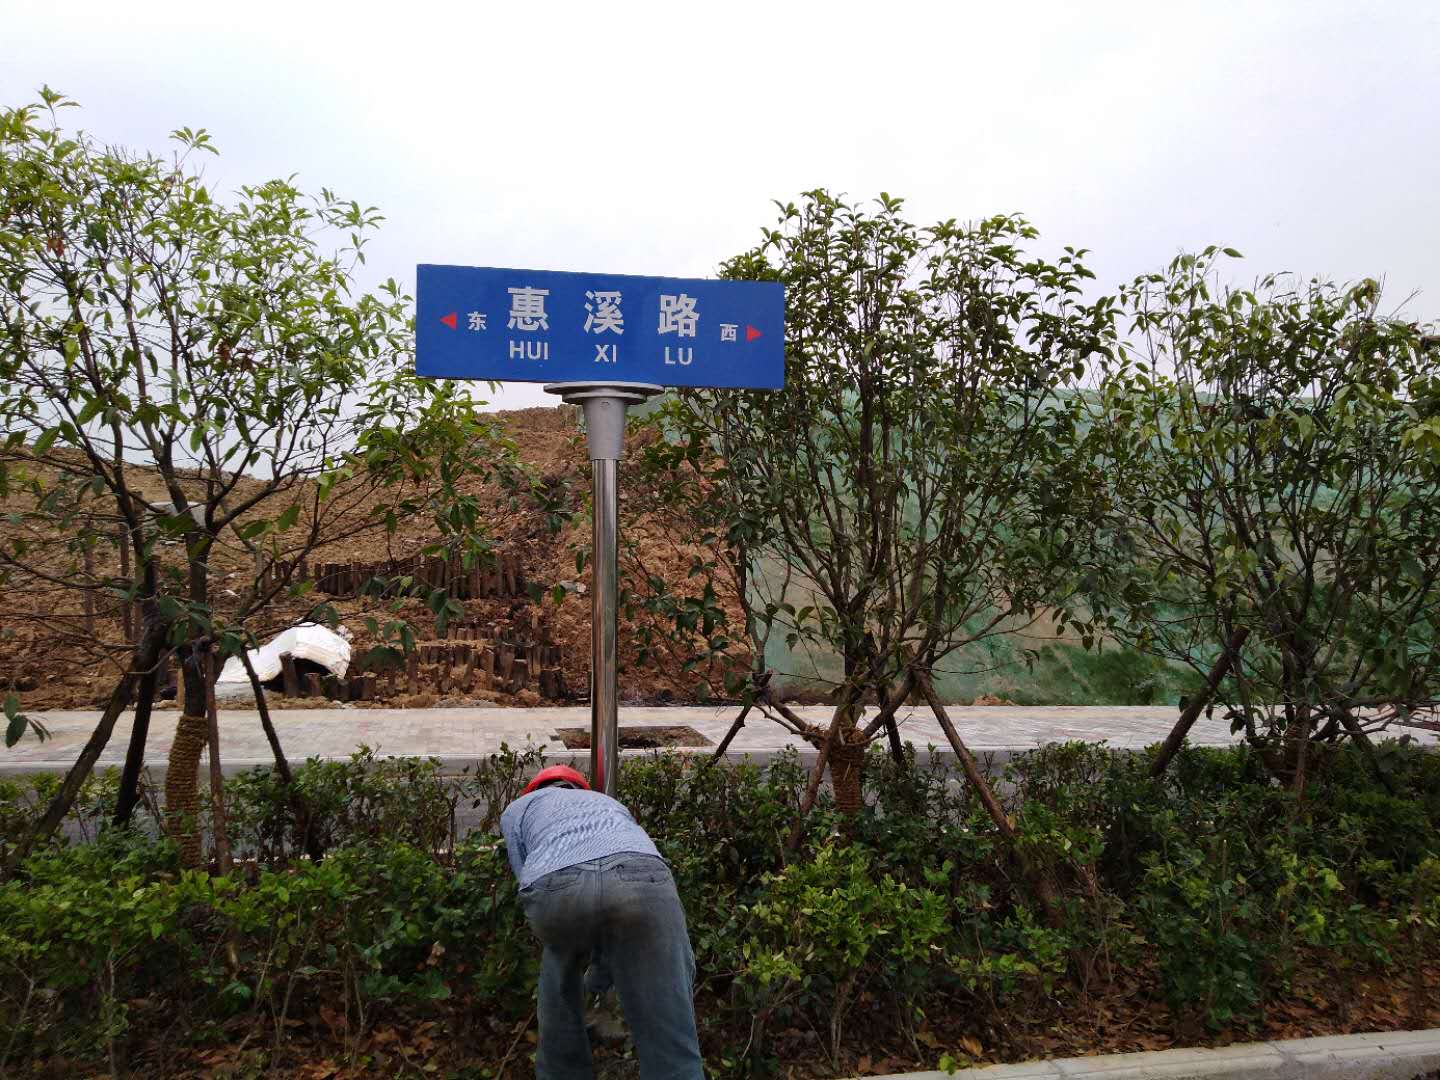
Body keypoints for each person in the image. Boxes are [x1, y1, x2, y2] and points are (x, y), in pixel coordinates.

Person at [500, 764, 705, 1079]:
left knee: (559, 957)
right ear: (580, 788)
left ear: (534, 789)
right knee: (670, 1028)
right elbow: (610, 889)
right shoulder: (608, 802)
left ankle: (563, 1067)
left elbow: (525, 874)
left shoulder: (519, 808)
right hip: (642, 876)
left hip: (558, 883)